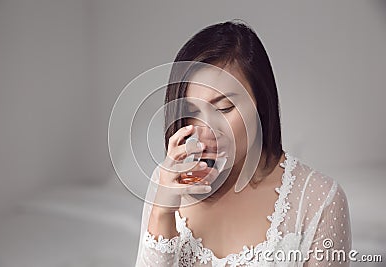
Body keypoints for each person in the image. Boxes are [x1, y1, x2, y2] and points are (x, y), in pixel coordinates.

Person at [135, 20, 351, 266]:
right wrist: (161, 212)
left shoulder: (320, 199)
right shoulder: (167, 182)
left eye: (224, 108)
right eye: (193, 111)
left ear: (260, 101)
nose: (207, 131)